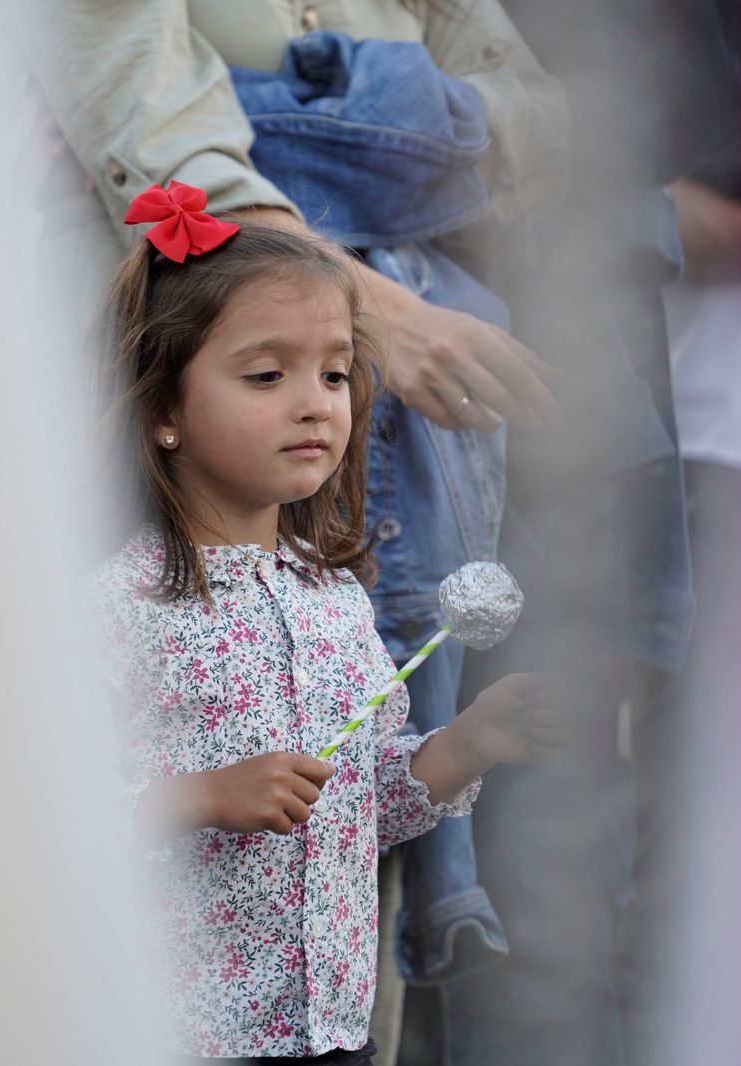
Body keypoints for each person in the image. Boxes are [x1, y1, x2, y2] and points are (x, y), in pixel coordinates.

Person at [89, 190, 568, 1063]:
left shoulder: (336, 601)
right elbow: (46, 810)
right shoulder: (117, 607)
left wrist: (471, 738)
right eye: (268, 376)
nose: (316, 405)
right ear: (164, 410)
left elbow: (362, 803)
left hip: (330, 1033)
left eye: (336, 373)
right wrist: (202, 797)